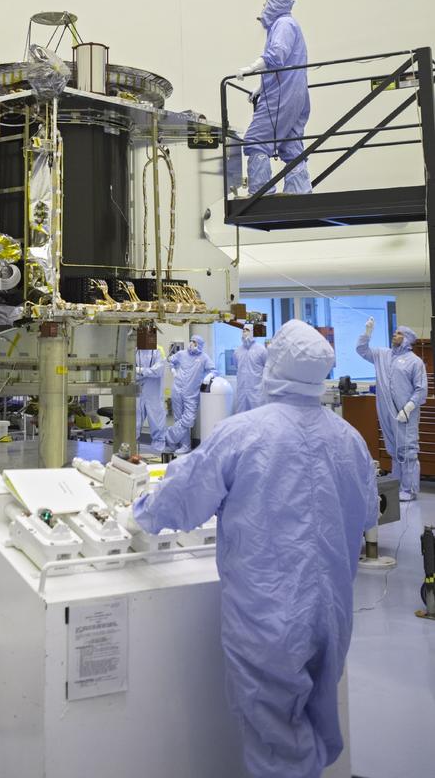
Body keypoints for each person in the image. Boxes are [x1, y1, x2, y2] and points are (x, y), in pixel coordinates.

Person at [129, 320, 378, 778]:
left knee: (275, 740)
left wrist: (139, 509)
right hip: (333, 611)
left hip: (270, 614)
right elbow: (366, 518)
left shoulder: (243, 433)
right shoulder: (351, 440)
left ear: (273, 365)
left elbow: (182, 500)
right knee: (316, 715)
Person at [238, 0, 312, 195]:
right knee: (290, 143)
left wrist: (250, 68)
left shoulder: (283, 25)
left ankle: (261, 191)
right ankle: (299, 190)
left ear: (274, 5)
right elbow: (285, 64)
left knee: (257, 139)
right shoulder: (288, 25)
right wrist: (260, 87)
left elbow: (277, 54)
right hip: (295, 93)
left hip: (282, 94)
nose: (263, 9)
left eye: (265, 4)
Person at [356, 318, 427, 501]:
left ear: (407, 339)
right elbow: (361, 350)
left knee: (408, 452)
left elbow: (421, 389)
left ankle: (410, 490)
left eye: (398, 333)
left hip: (405, 415)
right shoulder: (382, 355)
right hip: (386, 412)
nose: (394, 335)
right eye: (395, 332)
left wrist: (408, 408)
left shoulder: (415, 362)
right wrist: (367, 332)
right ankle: (397, 485)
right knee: (394, 451)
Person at [163, 335, 213, 453]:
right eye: (191, 341)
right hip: (177, 389)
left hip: (192, 392)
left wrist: (209, 376)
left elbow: (213, 370)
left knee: (188, 419)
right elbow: (170, 360)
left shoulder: (204, 358)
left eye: (194, 342)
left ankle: (169, 436)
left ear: (199, 345)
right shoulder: (182, 354)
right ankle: (183, 446)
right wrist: (173, 370)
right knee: (178, 417)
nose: (191, 344)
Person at [135, 341, 165, 450]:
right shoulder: (134, 349)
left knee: (156, 422)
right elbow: (130, 371)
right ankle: (131, 451)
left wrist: (141, 371)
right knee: (134, 422)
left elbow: (158, 371)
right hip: (137, 391)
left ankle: (158, 452)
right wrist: (148, 372)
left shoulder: (158, 350)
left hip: (153, 393)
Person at [233, 323, 267, 413]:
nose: (244, 332)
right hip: (242, 391)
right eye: (243, 330)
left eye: (247, 330)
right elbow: (237, 366)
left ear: (252, 332)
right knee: (241, 416)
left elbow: (267, 367)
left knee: (257, 416)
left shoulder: (261, 350)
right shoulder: (237, 351)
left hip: (256, 391)